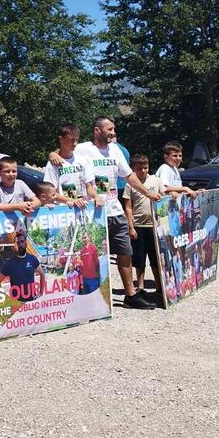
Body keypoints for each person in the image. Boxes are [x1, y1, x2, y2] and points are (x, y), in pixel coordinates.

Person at [75, 117, 162, 310]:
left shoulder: (115, 150)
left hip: (115, 209)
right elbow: (63, 156)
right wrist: (52, 154)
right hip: (93, 213)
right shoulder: (82, 149)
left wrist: (147, 192)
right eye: (109, 129)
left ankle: (130, 295)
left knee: (125, 252)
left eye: (113, 129)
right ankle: (92, 298)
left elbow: (128, 175)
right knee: (95, 256)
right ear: (97, 130)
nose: (113, 132)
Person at [123, 153, 165, 298]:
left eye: (145, 168)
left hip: (154, 226)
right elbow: (128, 207)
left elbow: (165, 196)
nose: (143, 171)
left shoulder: (155, 180)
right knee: (139, 259)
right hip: (139, 226)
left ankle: (159, 286)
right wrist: (131, 227)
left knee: (155, 258)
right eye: (139, 168)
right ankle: (140, 287)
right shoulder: (130, 185)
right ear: (133, 169)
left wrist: (181, 192)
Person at [44, 124, 100, 208]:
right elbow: (51, 193)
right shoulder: (53, 165)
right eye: (71, 140)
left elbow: (89, 186)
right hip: (64, 210)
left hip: (84, 209)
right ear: (61, 139)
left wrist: (96, 196)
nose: (75, 143)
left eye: (77, 140)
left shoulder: (82, 160)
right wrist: (72, 201)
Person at [0, 227, 45, 302]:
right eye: (18, 242)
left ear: (25, 244)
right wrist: (5, 299)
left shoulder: (32, 259)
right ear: (14, 246)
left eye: (22, 242)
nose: (20, 244)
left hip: (32, 302)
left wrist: (41, 294)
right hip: (17, 304)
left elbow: (42, 274)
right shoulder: (9, 263)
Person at [77, 229, 101, 294]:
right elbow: (81, 266)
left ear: (88, 238)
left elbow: (97, 262)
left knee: (94, 296)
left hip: (93, 278)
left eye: (85, 237)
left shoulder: (93, 248)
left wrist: (97, 274)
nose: (84, 239)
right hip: (84, 279)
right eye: (82, 238)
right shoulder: (81, 251)